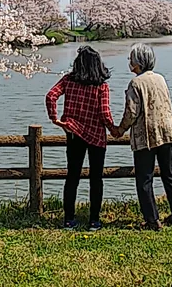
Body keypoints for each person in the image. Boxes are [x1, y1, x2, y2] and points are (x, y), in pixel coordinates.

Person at [111, 43, 172, 231]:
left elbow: (131, 112)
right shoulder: (160, 79)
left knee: (144, 178)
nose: (129, 62)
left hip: (147, 136)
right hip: (166, 132)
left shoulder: (136, 83)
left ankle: (152, 219)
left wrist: (120, 129)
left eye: (131, 59)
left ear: (138, 62)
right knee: (169, 173)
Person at [45, 45, 117, 230]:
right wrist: (114, 129)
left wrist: (55, 119)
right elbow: (104, 113)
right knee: (96, 178)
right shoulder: (101, 86)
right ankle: (94, 220)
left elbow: (51, 95)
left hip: (74, 133)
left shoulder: (68, 80)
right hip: (96, 136)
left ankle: (69, 219)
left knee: (72, 177)